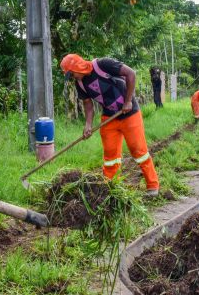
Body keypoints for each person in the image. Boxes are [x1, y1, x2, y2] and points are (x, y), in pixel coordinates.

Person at [61, 54, 160, 196]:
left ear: (78, 67)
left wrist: (128, 101)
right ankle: (111, 189)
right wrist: (88, 125)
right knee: (110, 156)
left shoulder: (103, 64)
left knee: (139, 151)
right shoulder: (80, 83)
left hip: (130, 113)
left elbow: (131, 74)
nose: (73, 78)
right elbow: (88, 105)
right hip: (109, 117)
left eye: (72, 74)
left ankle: (152, 186)